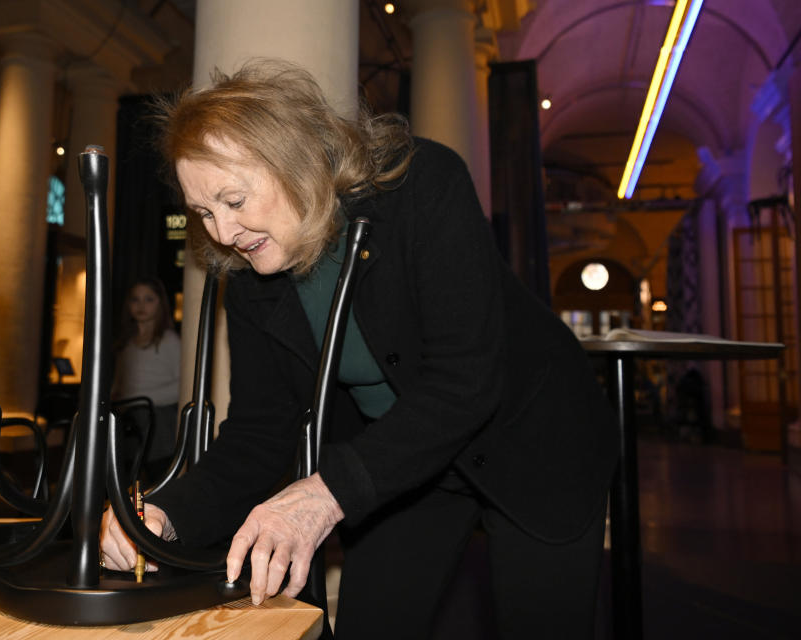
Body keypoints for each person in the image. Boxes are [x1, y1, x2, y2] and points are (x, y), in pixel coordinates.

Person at [100, 60, 618, 639]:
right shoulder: (248, 280)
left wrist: (323, 494)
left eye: (233, 199)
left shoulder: (422, 187)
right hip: (402, 463)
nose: (221, 232)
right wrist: (167, 515)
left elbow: (465, 381)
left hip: (533, 441)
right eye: (203, 212)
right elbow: (259, 432)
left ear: (294, 160)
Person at [111, 278, 181, 480]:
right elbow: (118, 383)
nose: (141, 305)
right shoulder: (126, 342)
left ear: (160, 303)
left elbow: (182, 386)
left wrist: (137, 398)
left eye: (149, 299)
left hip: (156, 415)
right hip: (127, 414)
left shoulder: (169, 341)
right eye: (135, 299)